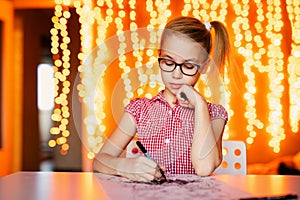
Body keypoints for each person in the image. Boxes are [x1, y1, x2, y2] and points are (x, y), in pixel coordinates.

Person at [93, 16, 230, 182]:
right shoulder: (139, 110)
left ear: (205, 66)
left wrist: (200, 105)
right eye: (168, 61)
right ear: (160, 56)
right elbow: (99, 161)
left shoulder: (214, 114)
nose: (176, 74)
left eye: (188, 66)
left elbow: (204, 167)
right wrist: (126, 166)